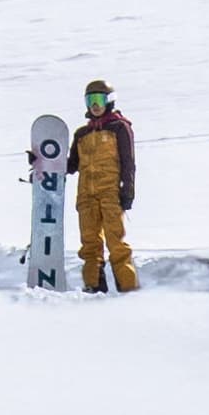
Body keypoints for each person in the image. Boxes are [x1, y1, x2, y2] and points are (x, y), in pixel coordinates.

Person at [73, 78, 138, 294]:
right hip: (86, 197)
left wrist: (127, 192)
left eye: (99, 99)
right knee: (89, 246)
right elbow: (71, 165)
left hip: (111, 193)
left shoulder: (119, 127)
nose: (95, 105)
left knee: (116, 244)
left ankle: (128, 288)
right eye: (90, 100)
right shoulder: (81, 134)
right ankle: (93, 287)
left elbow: (128, 163)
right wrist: (42, 159)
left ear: (109, 100)